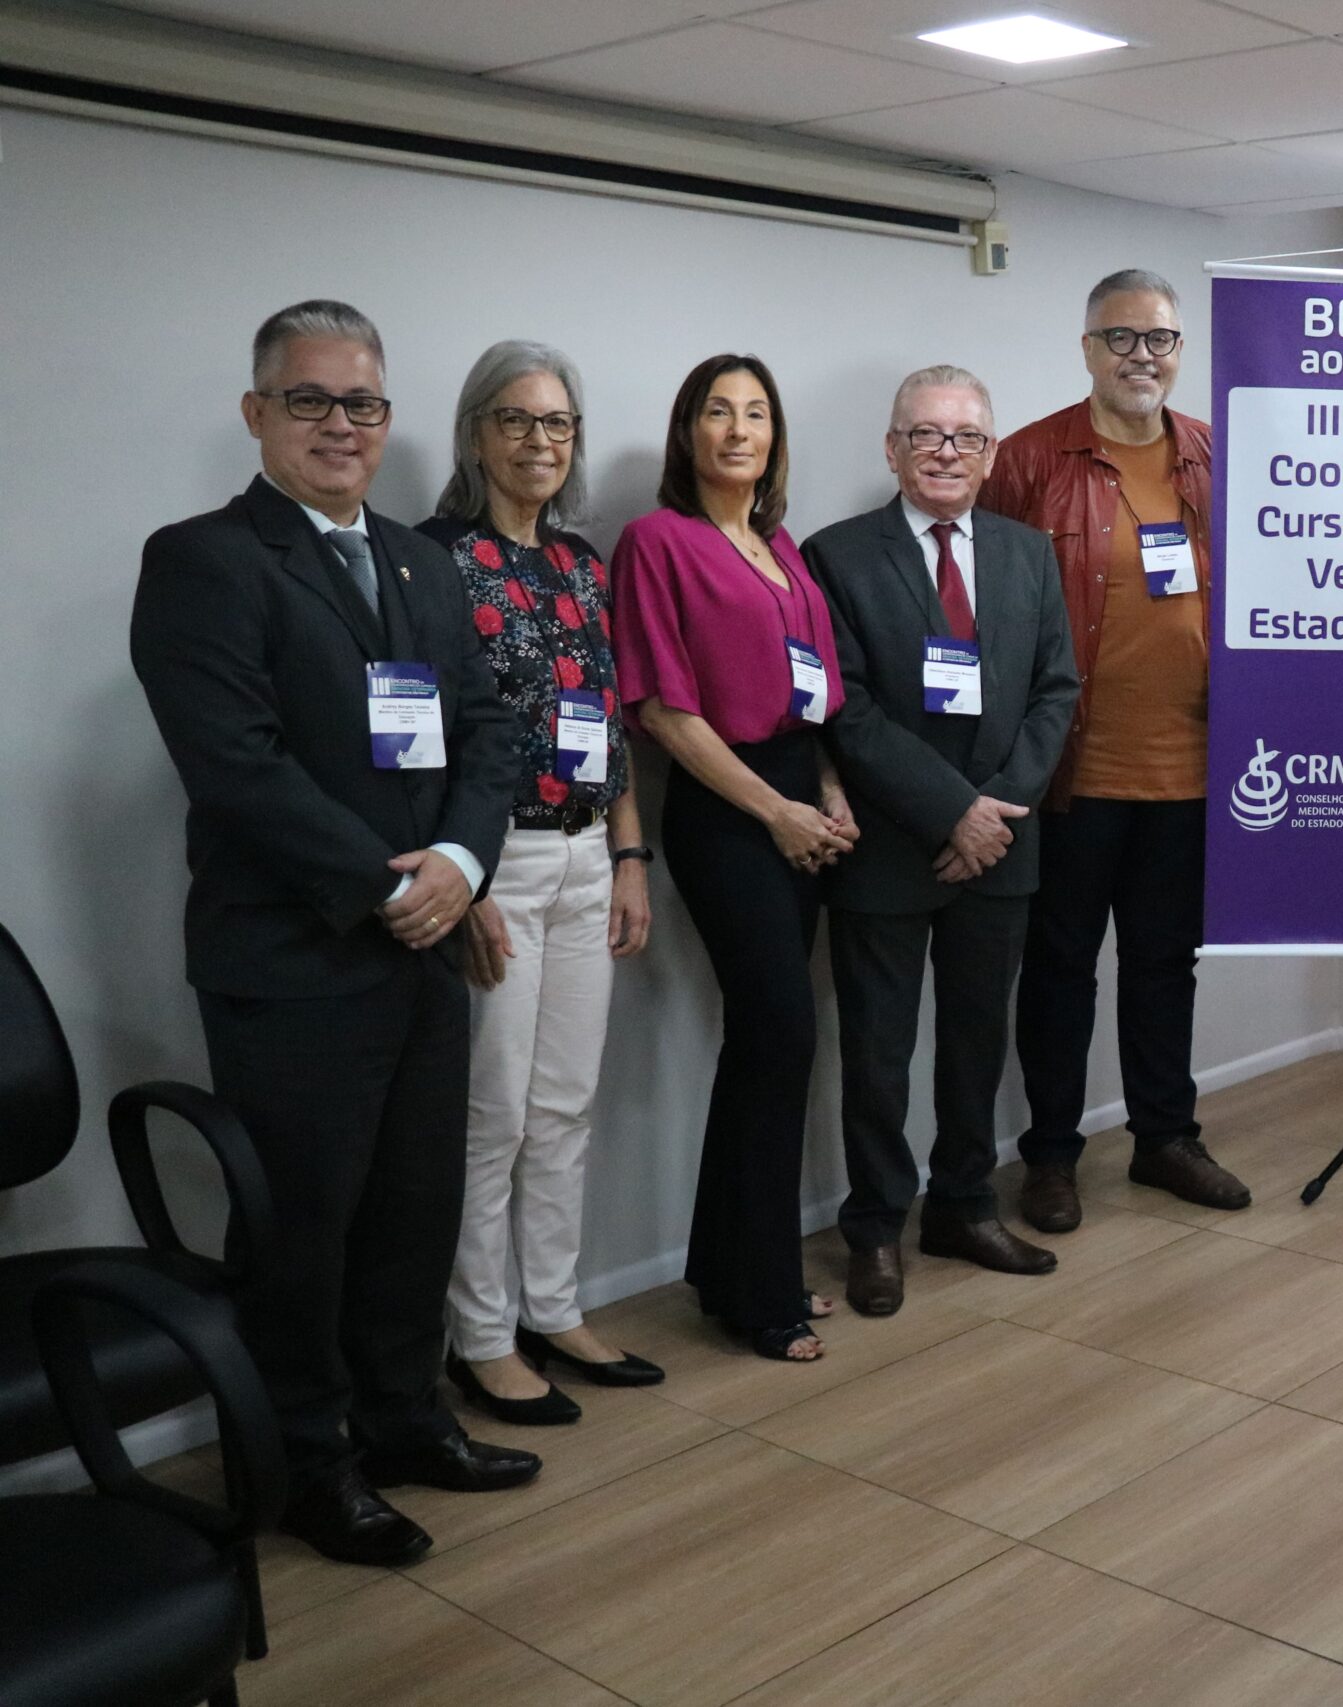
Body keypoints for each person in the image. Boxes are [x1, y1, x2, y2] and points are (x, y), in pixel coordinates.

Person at [129, 300, 535, 1567]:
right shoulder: (203, 560)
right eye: (310, 400)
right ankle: (312, 1462)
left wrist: (462, 865)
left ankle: (409, 1421)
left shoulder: (421, 562)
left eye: (362, 403)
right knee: (306, 1226)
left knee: (417, 1205)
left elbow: (490, 733)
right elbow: (237, 768)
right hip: (295, 960)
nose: (340, 426)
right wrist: (388, 885)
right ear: (257, 414)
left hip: (424, 944)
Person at [803, 367, 1080, 1317]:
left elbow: (1056, 693)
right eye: (925, 434)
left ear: (992, 452)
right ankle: (876, 1226)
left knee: (975, 1043)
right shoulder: (833, 556)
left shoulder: (1028, 554)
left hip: (1000, 850)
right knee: (877, 1055)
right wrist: (948, 811)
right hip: (888, 849)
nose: (945, 451)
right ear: (891, 449)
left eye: (965, 436)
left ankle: (963, 1203)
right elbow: (846, 706)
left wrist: (994, 812)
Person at [420, 341, 662, 1426]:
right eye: (515, 420)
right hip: (496, 864)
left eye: (558, 423)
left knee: (564, 1104)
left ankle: (552, 1308)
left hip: (581, 857)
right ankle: (478, 1335)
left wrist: (627, 856)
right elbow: (421, 741)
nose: (539, 442)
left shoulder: (580, 565)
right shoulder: (434, 562)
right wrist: (462, 882)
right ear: (477, 434)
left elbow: (609, 725)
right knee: (492, 1116)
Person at [980, 267, 1248, 1237]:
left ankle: (1165, 1138)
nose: (1143, 356)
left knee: (1164, 963)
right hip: (1071, 774)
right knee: (1059, 970)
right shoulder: (1027, 461)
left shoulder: (1219, 458)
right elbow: (992, 620)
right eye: (1123, 338)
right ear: (1087, 347)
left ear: (1180, 352)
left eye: (1161, 340)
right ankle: (1052, 1156)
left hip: (1191, 769)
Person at [614, 354, 854, 1365]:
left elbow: (815, 695)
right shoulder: (655, 542)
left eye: (756, 413)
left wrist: (830, 798)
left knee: (766, 1047)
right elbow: (666, 713)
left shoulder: (777, 544)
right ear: (688, 432)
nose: (738, 430)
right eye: (718, 412)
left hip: (799, 795)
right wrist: (778, 813)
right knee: (779, 1036)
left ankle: (733, 1267)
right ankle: (762, 1295)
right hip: (729, 811)